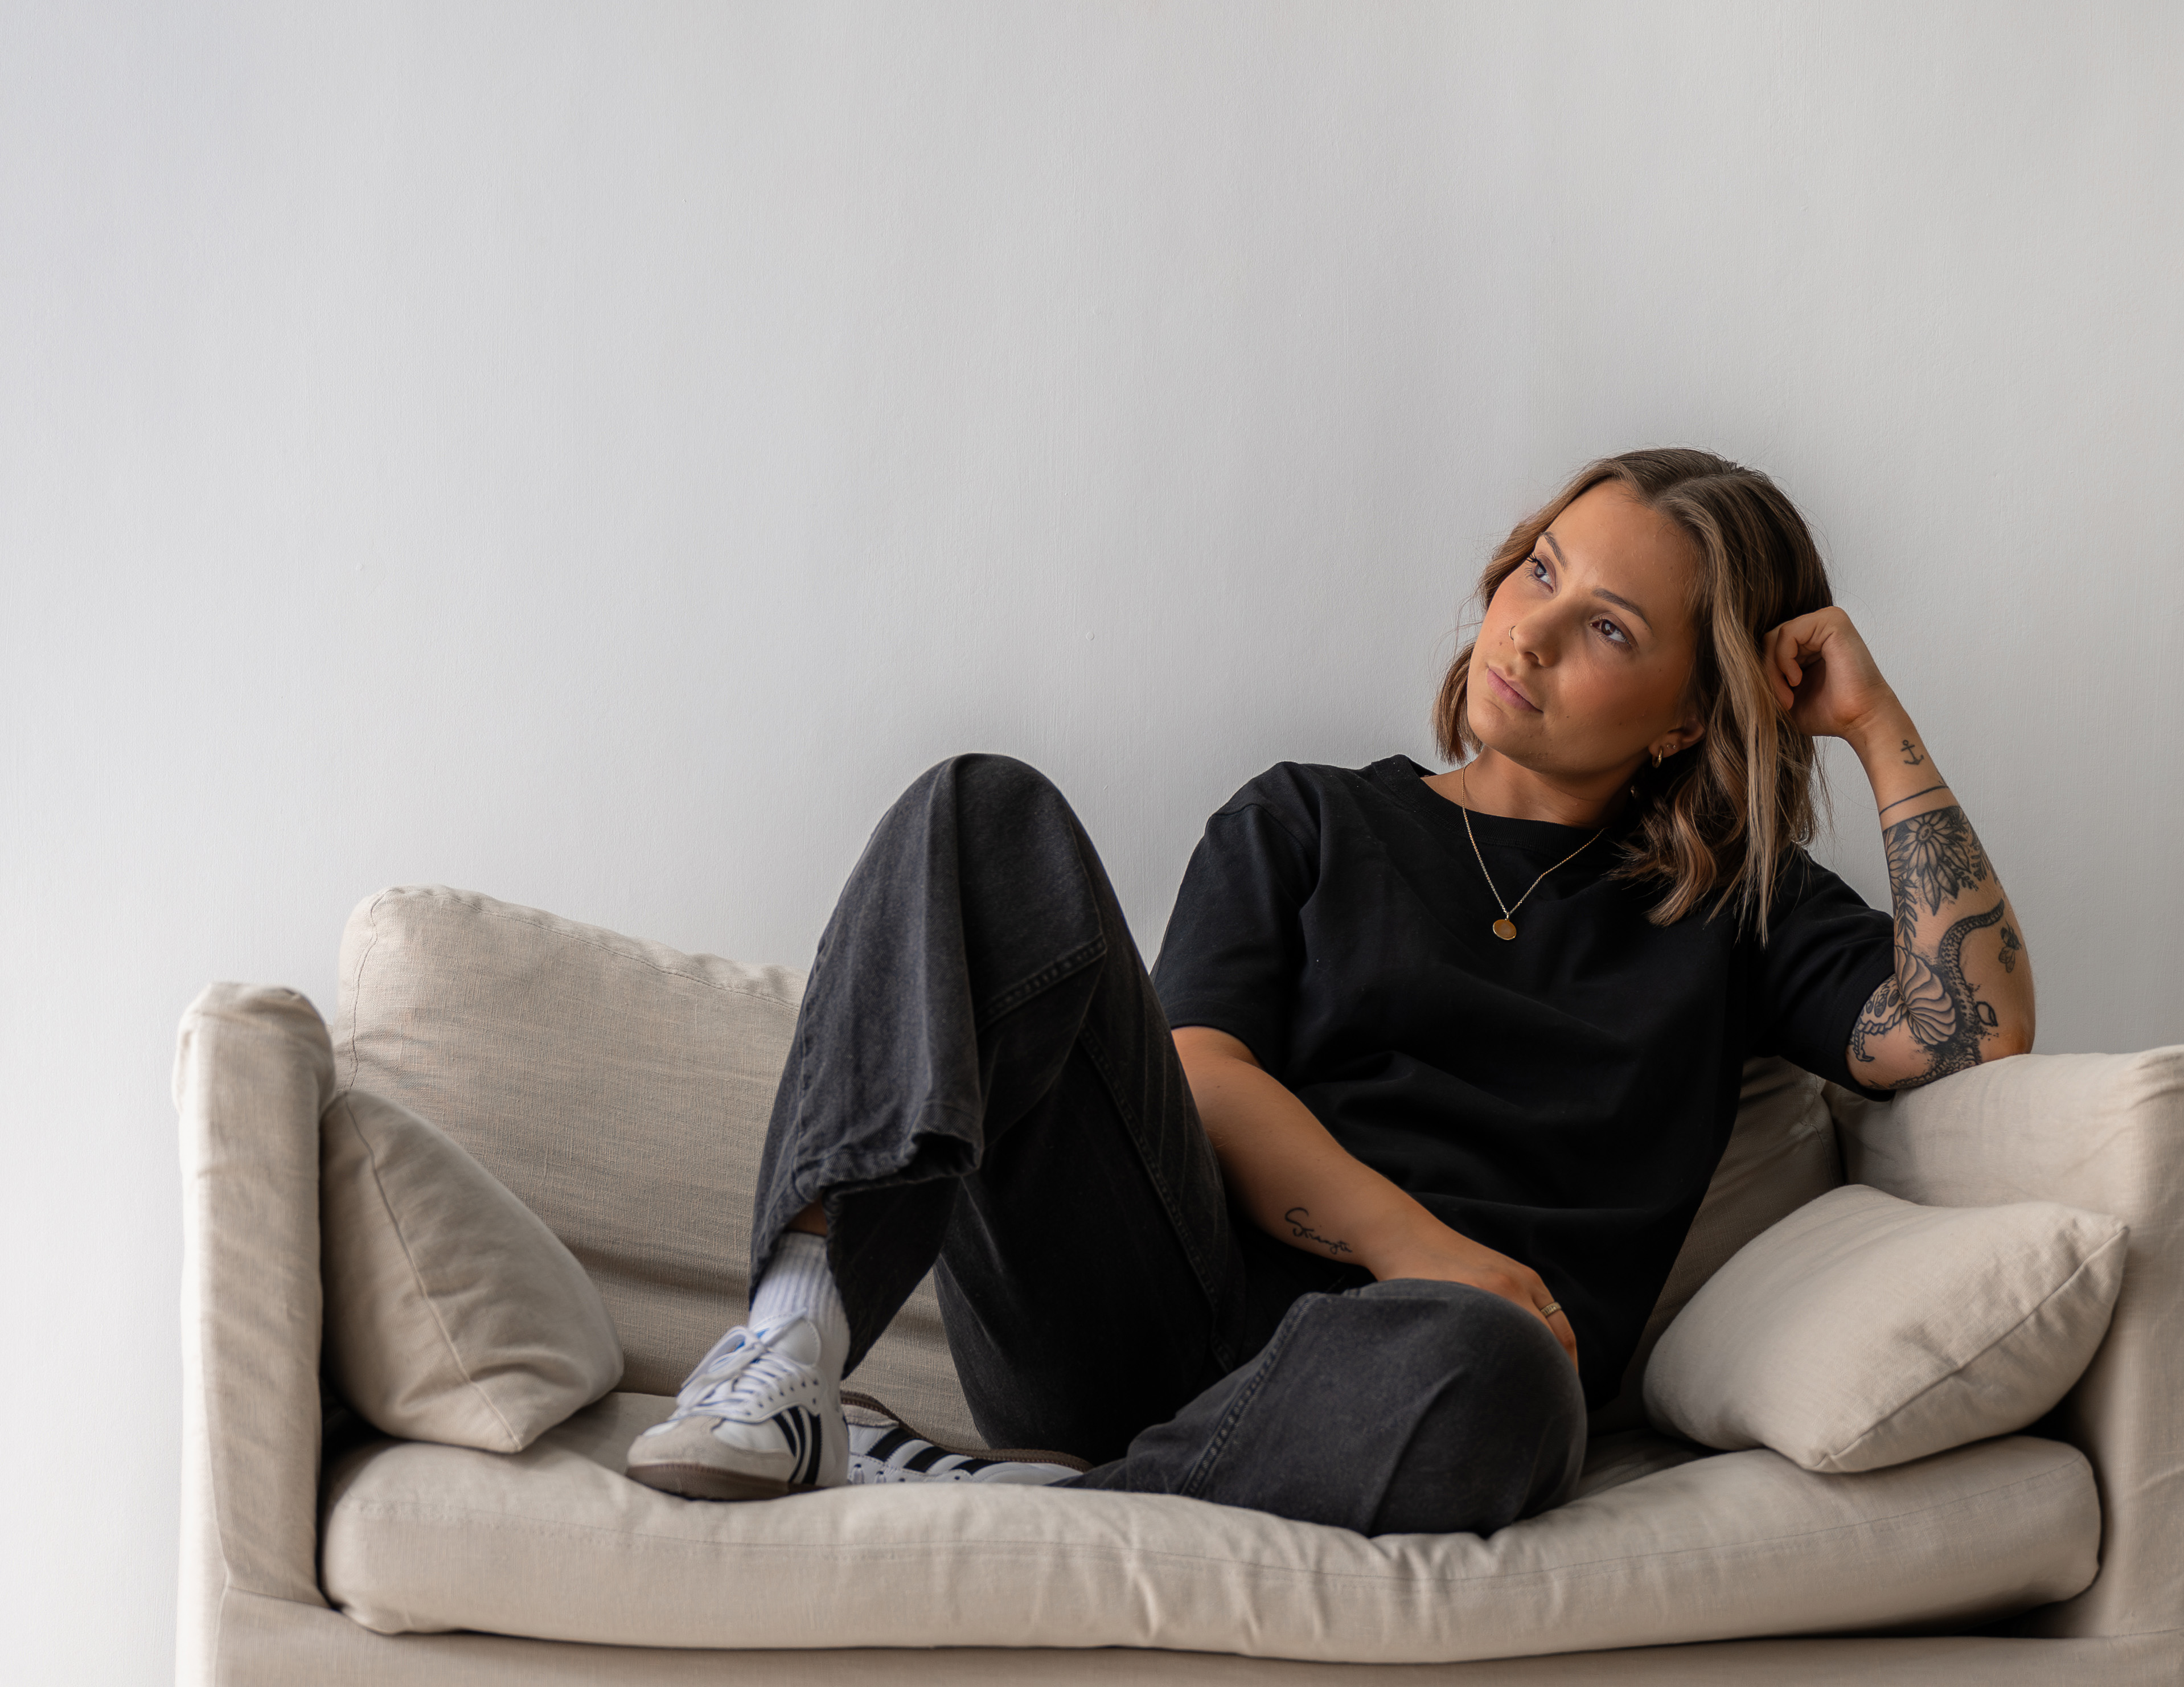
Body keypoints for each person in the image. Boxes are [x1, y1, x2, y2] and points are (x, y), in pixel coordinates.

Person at [626, 448, 2034, 1533]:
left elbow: (1965, 1031)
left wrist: (1868, 719)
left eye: (1607, 627)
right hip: (1152, 1318)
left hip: (1417, 1385)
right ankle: (788, 1349)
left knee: (1495, 1369)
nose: (1528, 633)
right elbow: (1202, 1072)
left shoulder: (1736, 909)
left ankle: (1050, 1503)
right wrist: (1418, 1240)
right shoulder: (1309, 819)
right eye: (1537, 571)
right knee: (977, 810)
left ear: (1688, 711)